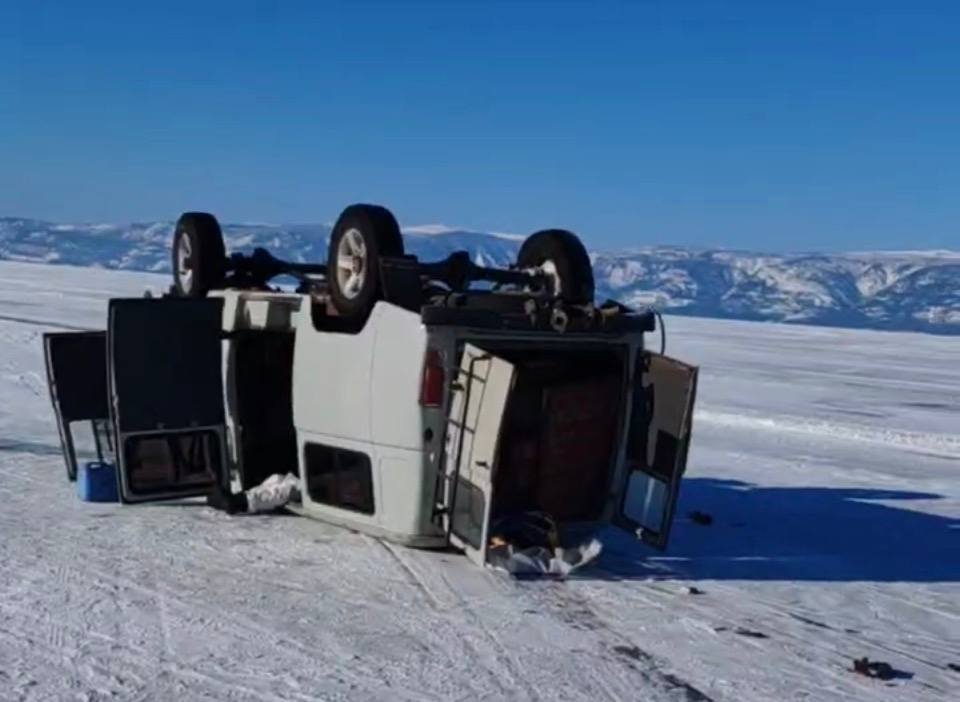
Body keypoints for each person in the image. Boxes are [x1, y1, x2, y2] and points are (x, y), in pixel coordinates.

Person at [206, 473, 300, 514]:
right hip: (291, 480)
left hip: (295, 484)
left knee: (275, 493)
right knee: (271, 486)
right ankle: (239, 500)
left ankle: (238, 501)